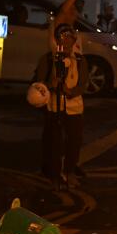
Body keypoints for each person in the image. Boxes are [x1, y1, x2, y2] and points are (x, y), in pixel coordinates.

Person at [35, 23, 89, 188]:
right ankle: (54, 174)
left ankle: (70, 171)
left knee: (74, 141)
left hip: (74, 107)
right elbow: (39, 83)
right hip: (54, 106)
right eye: (62, 37)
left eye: (69, 37)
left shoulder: (79, 60)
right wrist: (51, 84)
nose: (66, 41)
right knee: (54, 142)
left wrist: (70, 91)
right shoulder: (48, 58)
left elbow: (83, 83)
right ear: (57, 39)